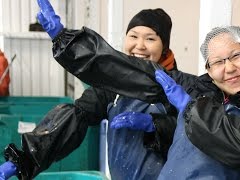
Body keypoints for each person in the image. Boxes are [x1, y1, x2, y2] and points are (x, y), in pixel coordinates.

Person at [31, 5, 240, 179]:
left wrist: (180, 113)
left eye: (237, 56)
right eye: (218, 63)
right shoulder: (197, 87)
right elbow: (123, 71)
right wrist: (69, 43)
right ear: (208, 70)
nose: (230, 68)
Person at [1, 1, 179, 180]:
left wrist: (157, 125)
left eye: (150, 38)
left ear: (164, 46)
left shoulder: (178, 87)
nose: (140, 45)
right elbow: (77, 115)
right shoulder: (113, 86)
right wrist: (27, 157)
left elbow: (193, 132)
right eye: (133, 36)